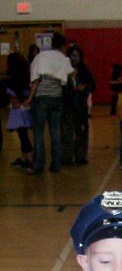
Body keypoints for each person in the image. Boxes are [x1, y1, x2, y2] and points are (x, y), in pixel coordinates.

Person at [24, 31, 74, 174]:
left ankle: (39, 164)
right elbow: (71, 75)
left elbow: (36, 80)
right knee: (55, 131)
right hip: (57, 97)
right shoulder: (64, 59)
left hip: (41, 97)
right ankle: (56, 164)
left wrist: (30, 98)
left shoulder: (41, 56)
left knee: (39, 132)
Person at [61, 45, 96, 166]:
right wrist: (73, 89)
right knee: (66, 133)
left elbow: (92, 85)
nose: (74, 58)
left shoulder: (85, 72)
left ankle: (81, 156)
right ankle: (67, 157)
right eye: (72, 56)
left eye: (76, 56)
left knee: (82, 131)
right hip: (67, 106)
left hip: (81, 106)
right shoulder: (63, 71)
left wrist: (85, 89)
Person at [5, 52, 34, 169]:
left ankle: (29, 158)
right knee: (23, 134)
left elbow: (16, 93)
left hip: (18, 109)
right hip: (25, 108)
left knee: (22, 135)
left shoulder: (13, 79)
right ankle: (24, 158)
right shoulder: (27, 75)